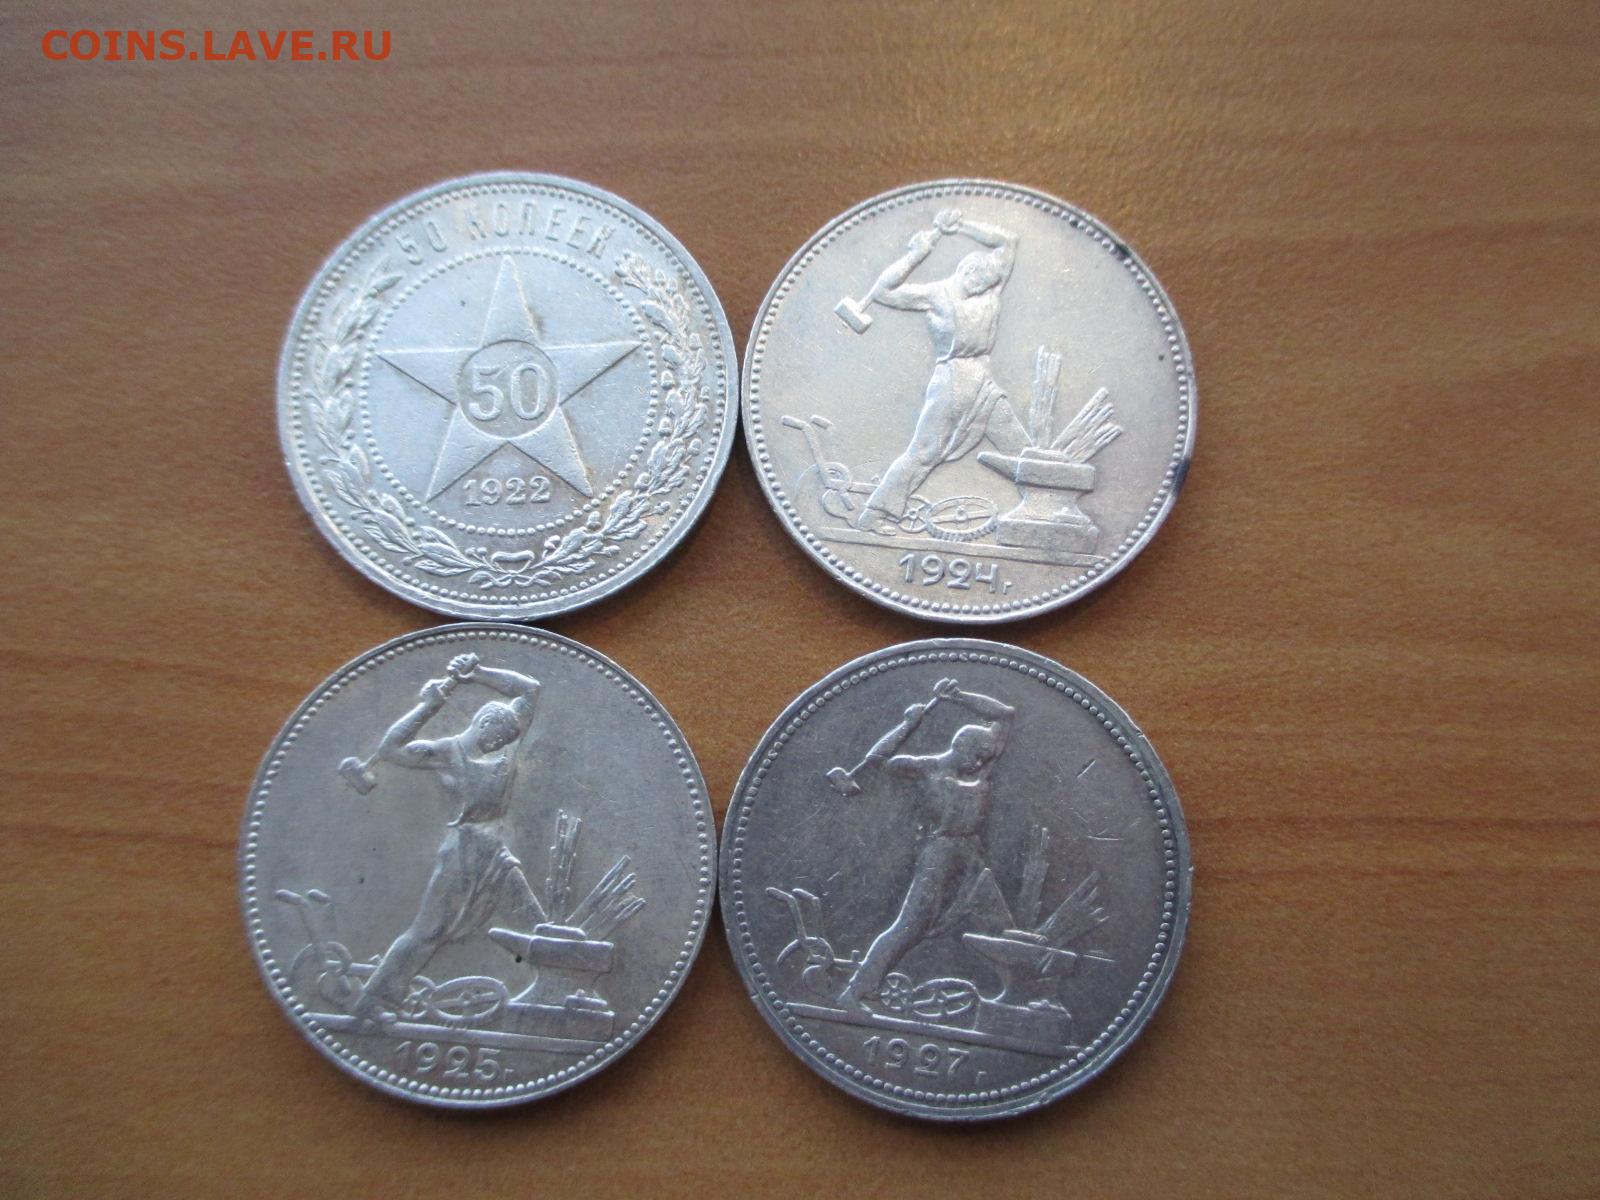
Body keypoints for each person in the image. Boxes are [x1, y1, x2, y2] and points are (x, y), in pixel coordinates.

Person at [352, 651, 547, 1026]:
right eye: (498, 737)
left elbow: (530, 689)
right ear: (483, 724)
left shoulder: (508, 740)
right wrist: (427, 707)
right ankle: (372, 1000)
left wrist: (478, 672)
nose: (502, 743)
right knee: (429, 930)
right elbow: (391, 749)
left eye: (508, 738)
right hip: (462, 851)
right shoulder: (446, 752)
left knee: (531, 916)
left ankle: (556, 990)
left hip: (495, 849)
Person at [837, 678, 1017, 1010]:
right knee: (910, 926)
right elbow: (878, 760)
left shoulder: (981, 770)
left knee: (1001, 925)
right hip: (938, 855)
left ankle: (1016, 996)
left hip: (972, 856)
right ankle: (856, 992)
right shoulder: (924, 769)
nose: (981, 764)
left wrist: (959, 696)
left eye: (986, 758)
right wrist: (908, 724)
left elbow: (1005, 714)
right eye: (977, 756)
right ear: (961, 747)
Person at [852, 209, 1018, 533]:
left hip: (982, 380)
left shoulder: (991, 286)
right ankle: (874, 513)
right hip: (951, 381)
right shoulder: (935, 295)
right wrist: (915, 255)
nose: (984, 289)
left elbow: (1008, 240)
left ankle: (1041, 514)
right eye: (979, 283)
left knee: (1016, 442)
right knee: (925, 451)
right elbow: (883, 291)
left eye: (989, 284)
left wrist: (962, 226)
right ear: (967, 271)